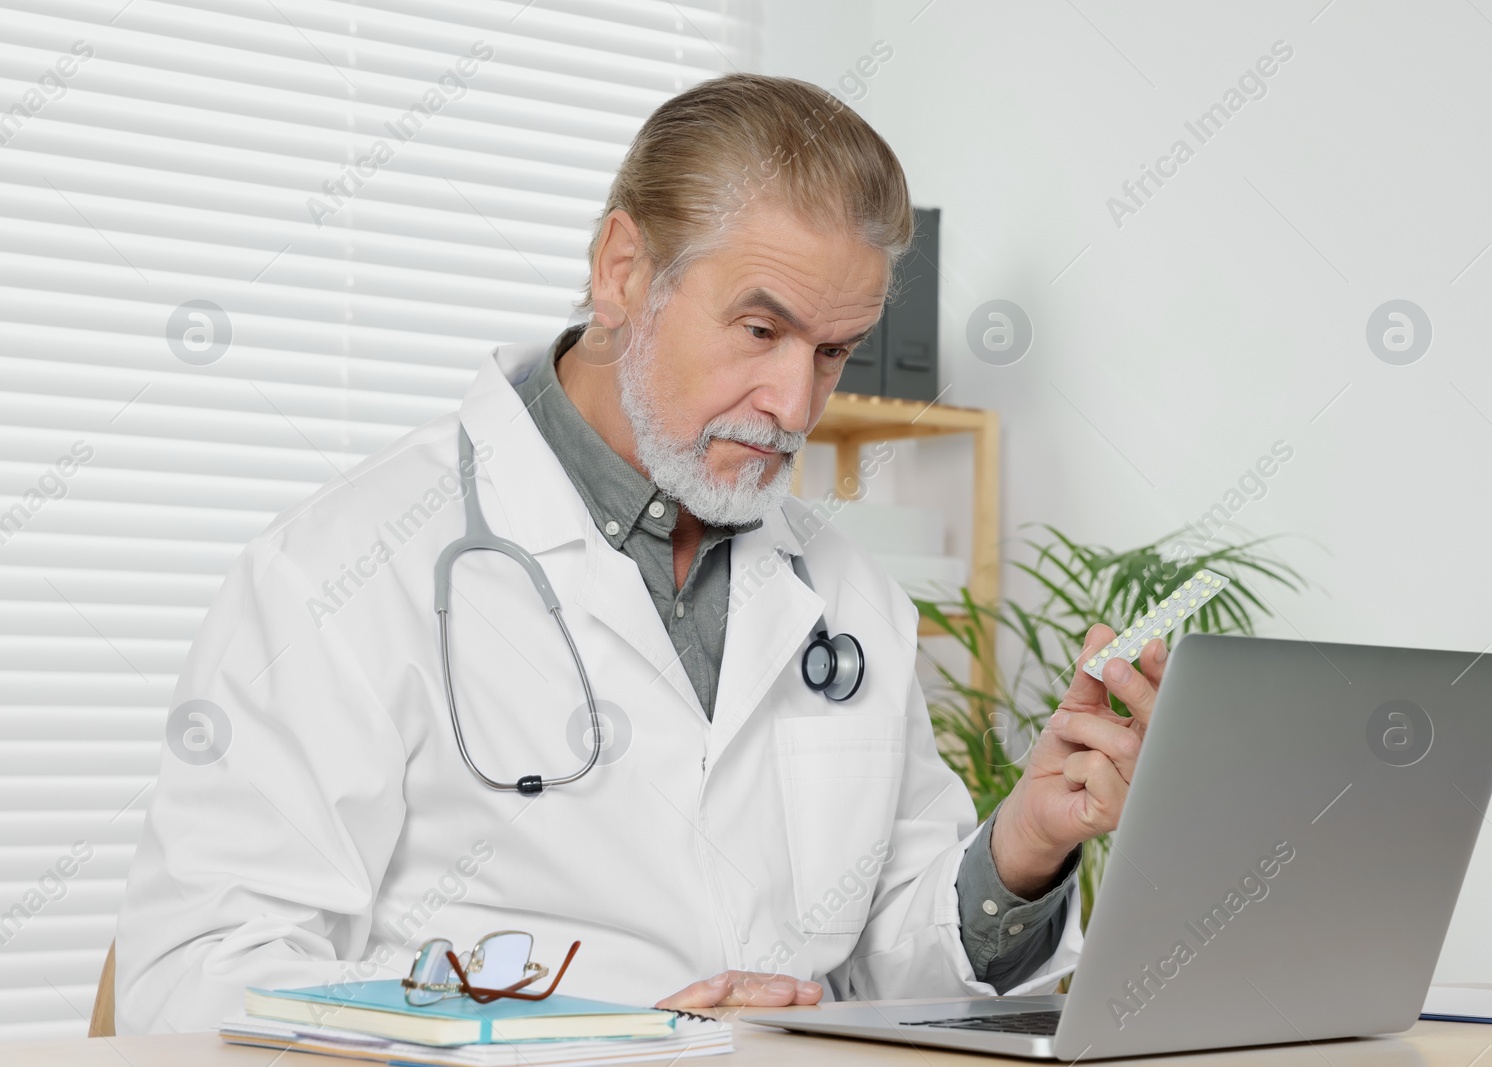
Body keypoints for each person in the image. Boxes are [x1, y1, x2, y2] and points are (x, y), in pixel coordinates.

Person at [114, 72, 1165, 1032]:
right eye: (761, 330)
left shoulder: (846, 597)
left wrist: (1023, 846)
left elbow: (892, 966)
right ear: (623, 272)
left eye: (831, 351)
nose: (794, 404)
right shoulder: (339, 570)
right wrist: (598, 1036)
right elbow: (201, 980)